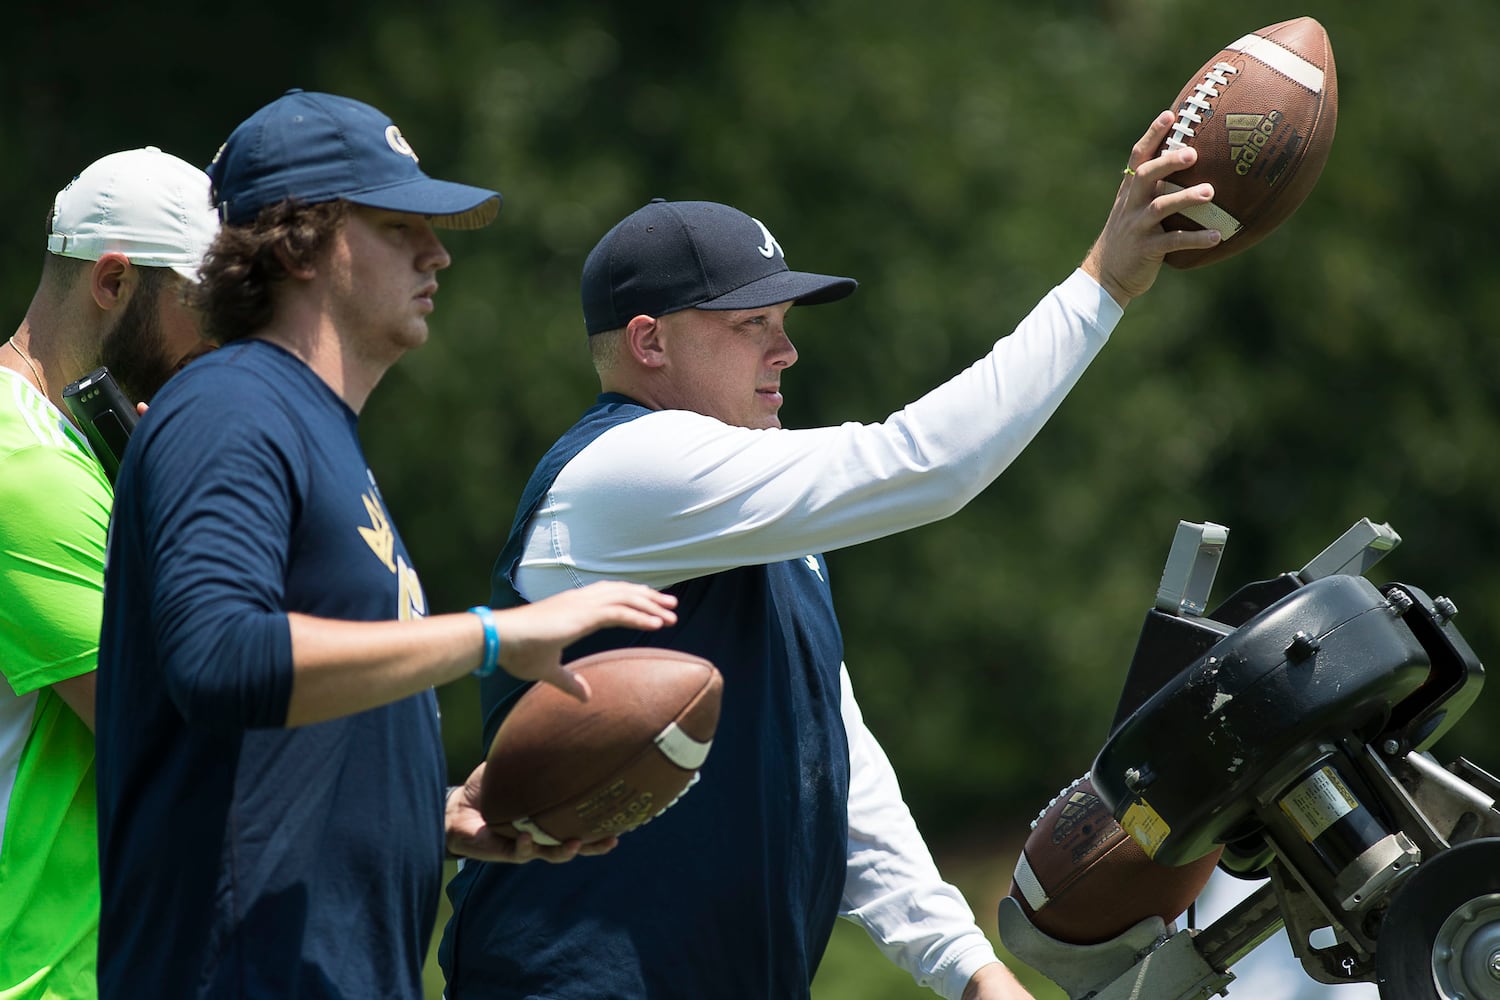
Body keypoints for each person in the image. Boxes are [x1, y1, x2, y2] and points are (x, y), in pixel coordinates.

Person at [438, 110, 1223, 1000]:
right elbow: (927, 462)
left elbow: (837, 771)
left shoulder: (757, 517)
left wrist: (966, 968)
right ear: (649, 341)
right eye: (752, 324)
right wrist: (1103, 284)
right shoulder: (623, 467)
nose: (788, 349)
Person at [93, 89, 678, 1000]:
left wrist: (431, 817)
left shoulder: (313, 432)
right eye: (400, 224)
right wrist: (488, 636)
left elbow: (280, 758)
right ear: (300, 241)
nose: (437, 251)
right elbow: (219, 659)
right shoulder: (228, 407)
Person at [0, 146, 218, 999]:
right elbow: (183, 736)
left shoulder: (75, 447)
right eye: (202, 306)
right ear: (114, 281)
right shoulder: (24, 468)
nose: (219, 337)